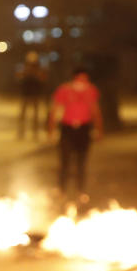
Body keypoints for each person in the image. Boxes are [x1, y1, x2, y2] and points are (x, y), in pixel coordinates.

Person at [47, 66, 103, 201]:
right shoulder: (64, 90)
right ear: (74, 78)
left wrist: (99, 129)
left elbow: (95, 110)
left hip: (84, 129)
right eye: (80, 79)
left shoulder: (91, 90)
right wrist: (52, 130)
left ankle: (81, 190)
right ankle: (61, 189)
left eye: (85, 79)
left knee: (82, 161)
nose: (82, 82)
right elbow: (55, 110)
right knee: (64, 161)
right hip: (67, 128)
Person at [16, 51, 47, 140]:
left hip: (35, 94)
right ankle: (21, 132)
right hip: (26, 94)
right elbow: (19, 77)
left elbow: (43, 79)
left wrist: (36, 74)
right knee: (24, 115)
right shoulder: (25, 68)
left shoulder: (39, 70)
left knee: (34, 116)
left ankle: (34, 133)